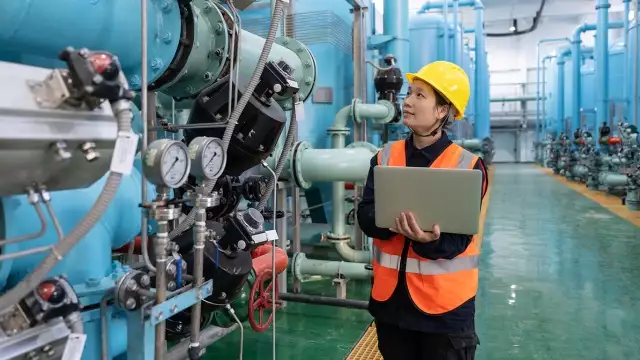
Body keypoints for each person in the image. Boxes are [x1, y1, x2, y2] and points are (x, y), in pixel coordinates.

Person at [357, 60, 489, 360]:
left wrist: (430, 241)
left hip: (444, 312)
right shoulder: (385, 158)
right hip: (392, 307)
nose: (408, 102)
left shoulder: (467, 166)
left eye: (420, 95)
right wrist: (391, 222)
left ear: (443, 111)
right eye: (409, 93)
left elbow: (459, 240)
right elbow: (365, 215)